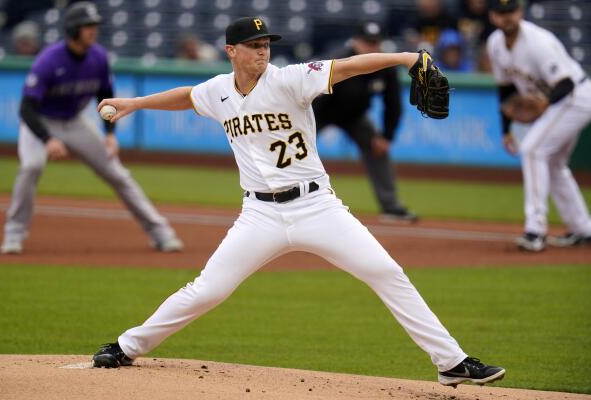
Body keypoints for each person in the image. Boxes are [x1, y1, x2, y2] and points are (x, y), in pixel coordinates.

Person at [91, 16, 505, 388]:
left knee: (386, 271)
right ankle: (127, 346)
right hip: (259, 214)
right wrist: (134, 103)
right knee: (208, 290)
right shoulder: (218, 91)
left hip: (317, 207)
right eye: (254, 45)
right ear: (231, 51)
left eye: (266, 43)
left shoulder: (290, 78)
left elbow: (348, 67)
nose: (262, 50)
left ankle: (451, 362)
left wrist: (404, 58)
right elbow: (188, 95)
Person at [0, 2, 183, 255]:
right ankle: (13, 234)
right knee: (31, 166)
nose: (93, 31)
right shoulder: (49, 60)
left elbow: (105, 98)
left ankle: (160, 232)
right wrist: (47, 139)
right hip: (41, 122)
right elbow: (26, 108)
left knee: (117, 173)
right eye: (88, 26)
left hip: (75, 122)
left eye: (95, 26)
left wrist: (110, 136)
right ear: (73, 29)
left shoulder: (98, 57)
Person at [487, 0, 591, 251]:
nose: (507, 17)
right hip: (560, 101)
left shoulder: (537, 42)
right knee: (553, 163)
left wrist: (544, 103)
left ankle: (535, 231)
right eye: (501, 13)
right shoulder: (495, 44)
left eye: (511, 11)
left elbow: (564, 84)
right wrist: (506, 129)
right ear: (492, 17)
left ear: (520, 12)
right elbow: (506, 89)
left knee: (533, 149)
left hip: (575, 97)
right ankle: (583, 229)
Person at [312, 21, 417, 222]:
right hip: (320, 112)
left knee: (379, 149)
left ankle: (391, 207)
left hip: (355, 116)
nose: (371, 47)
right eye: (366, 43)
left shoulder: (385, 67)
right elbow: (316, 97)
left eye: (375, 43)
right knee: (296, 151)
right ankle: (279, 199)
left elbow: (393, 103)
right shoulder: (339, 59)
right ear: (356, 42)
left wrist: (387, 136)